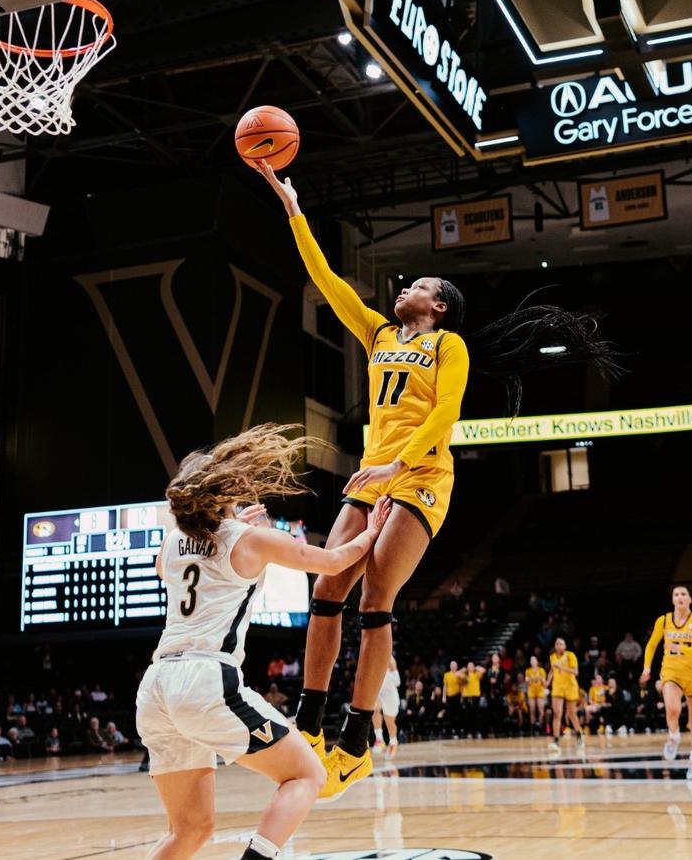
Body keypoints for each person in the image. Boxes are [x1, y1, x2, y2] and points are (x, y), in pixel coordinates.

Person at [260, 161, 620, 799]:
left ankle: (356, 739)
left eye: (418, 286)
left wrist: (401, 463)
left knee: (375, 597)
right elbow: (322, 276)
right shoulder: (376, 333)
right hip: (373, 476)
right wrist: (293, 208)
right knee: (326, 586)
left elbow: (446, 416)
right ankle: (309, 722)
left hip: (423, 473)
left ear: (440, 305)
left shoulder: (448, 347)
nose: (404, 289)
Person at [134, 425, 393, 860]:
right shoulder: (252, 538)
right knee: (307, 775)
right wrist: (371, 533)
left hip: (156, 686)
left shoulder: (172, 543)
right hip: (204, 679)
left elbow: (173, 566)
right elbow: (331, 562)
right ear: (224, 493)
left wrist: (229, 525)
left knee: (190, 829)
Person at [640, 584, 692, 779]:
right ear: (672, 600)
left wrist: (680, 648)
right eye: (676, 594)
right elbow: (652, 645)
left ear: (689, 600)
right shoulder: (663, 620)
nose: (680, 597)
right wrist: (647, 667)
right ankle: (674, 736)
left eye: (683, 594)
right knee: (673, 709)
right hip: (671, 672)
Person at [546, 637, 583, 753]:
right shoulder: (552, 657)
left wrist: (561, 667)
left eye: (561, 644)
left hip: (570, 686)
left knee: (571, 713)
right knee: (557, 713)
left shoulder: (570, 655)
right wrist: (547, 681)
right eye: (557, 644)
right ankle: (556, 740)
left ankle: (579, 734)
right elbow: (552, 670)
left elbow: (576, 672)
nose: (558, 646)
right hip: (557, 686)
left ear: (565, 646)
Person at [372, 656, 401, 756]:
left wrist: (384, 673)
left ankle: (393, 741)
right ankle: (379, 739)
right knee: (375, 709)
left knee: (390, 723)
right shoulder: (370, 655)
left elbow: (397, 682)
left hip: (390, 694)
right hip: (379, 691)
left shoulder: (389, 659)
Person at [524, 656, 548, 731]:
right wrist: (535, 679)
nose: (533, 662)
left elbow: (544, 683)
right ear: (530, 662)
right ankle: (532, 726)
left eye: (534, 660)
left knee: (541, 709)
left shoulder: (542, 670)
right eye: (531, 660)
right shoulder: (528, 671)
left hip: (540, 690)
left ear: (537, 662)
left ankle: (540, 724)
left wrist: (539, 679)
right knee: (532, 709)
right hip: (531, 691)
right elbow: (528, 682)